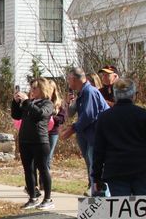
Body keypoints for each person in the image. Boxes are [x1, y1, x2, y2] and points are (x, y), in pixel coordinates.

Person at [92, 79, 146, 196]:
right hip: (141, 169)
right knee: (142, 210)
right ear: (133, 95)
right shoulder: (142, 115)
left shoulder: (104, 118)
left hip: (115, 170)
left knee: (121, 211)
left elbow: (99, 150)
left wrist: (96, 177)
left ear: (115, 96)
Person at [60, 66, 108, 195]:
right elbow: (69, 114)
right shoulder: (81, 93)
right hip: (88, 137)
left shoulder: (89, 92)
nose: (68, 83)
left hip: (97, 137)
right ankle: (97, 197)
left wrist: (72, 129)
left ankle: (102, 199)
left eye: (69, 79)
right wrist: (67, 103)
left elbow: (89, 115)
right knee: (93, 168)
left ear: (74, 79)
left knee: (97, 170)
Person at [11, 79, 55, 210]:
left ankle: (48, 198)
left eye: (35, 88)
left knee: (43, 169)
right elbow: (16, 115)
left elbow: (39, 114)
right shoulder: (29, 103)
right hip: (25, 140)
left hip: (40, 141)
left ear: (42, 89)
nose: (32, 91)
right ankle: (33, 197)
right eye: (31, 88)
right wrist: (15, 102)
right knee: (28, 170)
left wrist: (26, 101)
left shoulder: (47, 103)